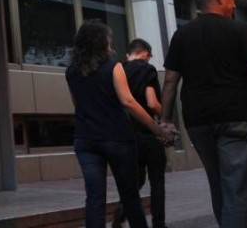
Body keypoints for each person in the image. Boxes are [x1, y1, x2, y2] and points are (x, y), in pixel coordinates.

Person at [160, 0, 247, 228]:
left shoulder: (182, 35)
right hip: (237, 116)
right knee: (238, 189)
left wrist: (166, 120)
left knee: (219, 183)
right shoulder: (240, 30)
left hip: (198, 121)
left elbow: (170, 80)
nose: (234, 5)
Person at [66, 20, 173, 228]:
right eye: (108, 40)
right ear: (101, 42)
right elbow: (128, 102)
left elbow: (77, 104)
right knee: (130, 195)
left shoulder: (71, 71)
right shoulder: (113, 66)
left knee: (94, 197)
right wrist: (157, 129)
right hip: (117, 138)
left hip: (86, 139)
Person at [112, 38, 167, 228]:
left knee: (136, 178)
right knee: (157, 180)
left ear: (128, 53)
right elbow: (152, 102)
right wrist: (165, 117)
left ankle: (121, 211)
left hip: (126, 134)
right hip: (147, 132)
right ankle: (159, 223)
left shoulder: (117, 70)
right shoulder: (147, 69)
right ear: (145, 53)